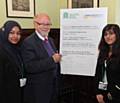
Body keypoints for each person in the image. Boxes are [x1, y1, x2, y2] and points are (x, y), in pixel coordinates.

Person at [21, 13, 62, 103]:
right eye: (42, 24)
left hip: (53, 86)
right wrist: (52, 60)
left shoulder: (50, 40)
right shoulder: (28, 42)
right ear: (35, 24)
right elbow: (30, 66)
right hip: (39, 90)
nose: (45, 27)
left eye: (48, 24)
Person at [0, 20, 26, 103]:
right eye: (11, 32)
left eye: (18, 33)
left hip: (18, 91)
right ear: (5, 32)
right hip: (6, 94)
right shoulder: (1, 51)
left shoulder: (18, 48)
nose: (15, 36)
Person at [95, 24, 120, 103]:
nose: (108, 37)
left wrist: (114, 92)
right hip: (103, 93)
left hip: (117, 94)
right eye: (105, 34)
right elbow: (98, 73)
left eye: (111, 33)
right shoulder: (103, 52)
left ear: (117, 35)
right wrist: (98, 92)